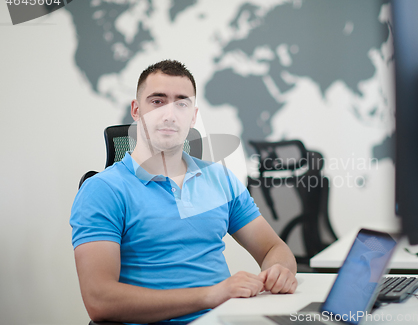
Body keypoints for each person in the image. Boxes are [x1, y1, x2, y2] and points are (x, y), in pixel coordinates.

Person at [70, 59, 298, 324]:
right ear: (135, 110)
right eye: (157, 101)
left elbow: (274, 248)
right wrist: (211, 295)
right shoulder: (103, 191)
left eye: (181, 103)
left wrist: (278, 271)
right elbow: (100, 300)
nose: (170, 114)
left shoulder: (219, 178)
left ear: (193, 116)